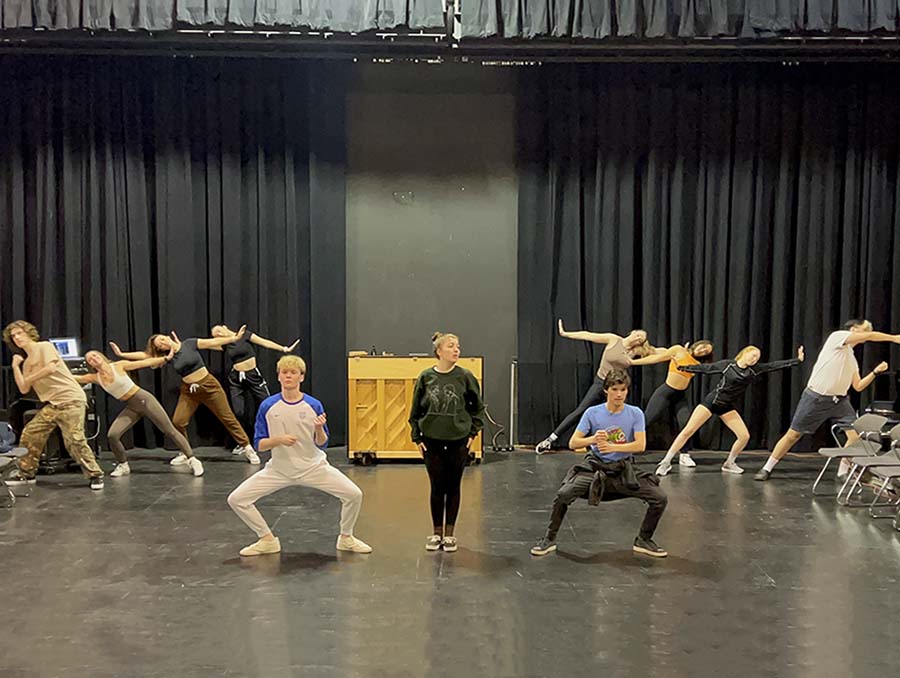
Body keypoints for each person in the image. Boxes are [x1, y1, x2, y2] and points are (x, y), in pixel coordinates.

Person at [227, 355, 372, 556]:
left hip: (314, 468)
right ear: (278, 377)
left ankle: (346, 538)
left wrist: (320, 429)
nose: (288, 376)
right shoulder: (268, 406)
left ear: (301, 378)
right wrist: (279, 440)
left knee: (354, 495)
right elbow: (260, 445)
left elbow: (322, 443)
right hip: (279, 469)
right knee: (237, 499)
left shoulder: (313, 405)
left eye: (293, 373)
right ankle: (267, 539)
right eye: (284, 372)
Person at [530, 369, 668, 558]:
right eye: (615, 389)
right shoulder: (593, 413)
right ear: (606, 390)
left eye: (623, 389)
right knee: (564, 494)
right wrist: (593, 439)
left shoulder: (635, 413)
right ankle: (549, 539)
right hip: (595, 468)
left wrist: (613, 447)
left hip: (622, 469)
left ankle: (644, 539)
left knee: (659, 497)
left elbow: (640, 444)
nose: (619, 394)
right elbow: (573, 442)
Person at [754, 320, 899, 481]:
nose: (866, 335)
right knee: (793, 435)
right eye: (864, 330)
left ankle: (843, 471)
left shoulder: (851, 358)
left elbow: (857, 386)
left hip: (840, 402)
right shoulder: (837, 337)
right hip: (816, 398)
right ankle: (767, 467)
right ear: (853, 329)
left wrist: (875, 372)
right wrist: (893, 338)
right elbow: (871, 336)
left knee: (854, 435)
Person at [110, 328, 259, 465]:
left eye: (162, 339)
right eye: (159, 345)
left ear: (167, 337)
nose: (162, 343)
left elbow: (212, 342)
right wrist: (122, 355)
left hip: (209, 387)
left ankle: (247, 448)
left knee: (227, 417)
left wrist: (235, 338)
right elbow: (144, 356)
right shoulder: (168, 357)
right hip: (189, 391)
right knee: (178, 421)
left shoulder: (189, 344)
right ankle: (185, 452)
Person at [655, 345, 805, 476]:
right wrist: (682, 367)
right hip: (711, 402)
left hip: (726, 407)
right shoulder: (728, 365)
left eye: (757, 358)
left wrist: (797, 361)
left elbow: (773, 366)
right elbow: (706, 368)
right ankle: (666, 462)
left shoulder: (755, 370)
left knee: (744, 436)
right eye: (753, 355)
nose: (754, 359)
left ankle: (729, 463)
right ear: (744, 353)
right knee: (688, 430)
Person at [2, 321, 104, 490]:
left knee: (74, 439)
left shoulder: (44, 347)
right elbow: (23, 387)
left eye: (20, 333)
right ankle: (26, 472)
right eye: (13, 336)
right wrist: (15, 366)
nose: (17, 338)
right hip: (54, 405)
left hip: (71, 400)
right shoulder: (26, 364)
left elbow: (50, 368)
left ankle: (95, 475)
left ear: (29, 333)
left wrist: (28, 377)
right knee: (31, 433)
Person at [409, 332, 485, 552]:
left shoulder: (465, 376)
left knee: (453, 486)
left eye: (458, 346)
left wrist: (471, 434)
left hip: (457, 441)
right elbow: (416, 410)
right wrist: (417, 436)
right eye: (451, 346)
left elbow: (477, 408)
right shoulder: (425, 377)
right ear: (439, 351)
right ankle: (436, 533)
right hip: (431, 442)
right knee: (436, 487)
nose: (456, 350)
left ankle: (450, 534)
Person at [534, 319, 657, 454]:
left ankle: (623, 449)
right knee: (580, 411)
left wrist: (677, 351)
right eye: (638, 334)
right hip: (601, 383)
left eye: (642, 339)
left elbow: (658, 352)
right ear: (632, 333)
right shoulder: (614, 339)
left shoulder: (635, 352)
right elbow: (588, 335)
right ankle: (550, 440)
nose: (639, 338)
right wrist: (566, 333)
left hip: (616, 388)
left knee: (621, 416)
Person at [74, 350, 203, 477]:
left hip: (144, 399)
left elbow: (144, 363)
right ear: (90, 364)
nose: (94, 358)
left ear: (101, 356)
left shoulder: (118, 366)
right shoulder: (95, 378)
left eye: (95, 355)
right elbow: (76, 378)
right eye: (90, 359)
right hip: (132, 406)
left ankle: (192, 459)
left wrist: (165, 359)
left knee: (169, 430)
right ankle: (123, 465)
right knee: (112, 435)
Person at [209, 324, 299, 455]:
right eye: (215, 335)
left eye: (218, 331)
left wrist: (284, 348)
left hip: (252, 376)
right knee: (238, 412)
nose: (218, 335)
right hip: (236, 379)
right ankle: (243, 443)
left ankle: (278, 439)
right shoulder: (225, 344)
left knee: (269, 405)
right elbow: (205, 344)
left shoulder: (245, 335)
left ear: (224, 327)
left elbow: (265, 342)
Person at [633, 340, 715, 468]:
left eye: (706, 351)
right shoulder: (678, 350)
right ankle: (626, 447)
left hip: (681, 396)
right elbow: (656, 358)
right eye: (703, 347)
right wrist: (632, 362)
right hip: (665, 392)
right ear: (698, 344)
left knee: (686, 424)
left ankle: (685, 455)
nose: (703, 350)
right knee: (647, 419)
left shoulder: (698, 363)